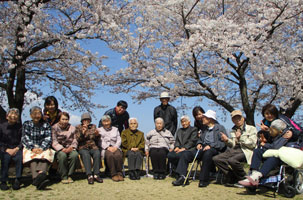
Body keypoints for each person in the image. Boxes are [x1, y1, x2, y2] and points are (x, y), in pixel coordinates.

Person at [172, 110, 228, 187]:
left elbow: (223, 143)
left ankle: (204, 179)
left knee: (207, 153)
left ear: (210, 119)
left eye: (204, 117)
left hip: (214, 149)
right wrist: (199, 143)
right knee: (185, 154)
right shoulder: (204, 128)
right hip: (202, 148)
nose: (202, 119)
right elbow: (200, 139)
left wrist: (211, 145)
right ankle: (182, 177)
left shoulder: (220, 128)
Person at [239, 119, 296, 187]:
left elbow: (275, 147)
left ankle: (257, 176)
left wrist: (264, 144)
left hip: (279, 157)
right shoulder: (275, 134)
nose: (270, 131)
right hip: (271, 153)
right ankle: (253, 173)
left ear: (280, 131)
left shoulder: (286, 136)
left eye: (272, 130)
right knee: (257, 151)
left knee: (273, 157)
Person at [213, 110, 258, 187]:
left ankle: (245, 179)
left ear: (243, 118)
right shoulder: (233, 130)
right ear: (232, 120)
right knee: (216, 159)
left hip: (247, 150)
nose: (237, 120)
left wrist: (241, 138)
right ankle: (232, 177)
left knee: (232, 160)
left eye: (239, 118)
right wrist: (227, 140)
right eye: (235, 119)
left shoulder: (251, 128)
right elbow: (233, 144)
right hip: (235, 150)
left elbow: (253, 144)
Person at [22, 106, 54, 190]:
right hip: (30, 147)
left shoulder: (46, 124)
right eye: (34, 113)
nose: (37, 115)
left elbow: (48, 138)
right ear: (31, 115)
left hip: (43, 146)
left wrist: (42, 148)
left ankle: (39, 176)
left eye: (39, 113)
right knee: (32, 158)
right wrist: (32, 148)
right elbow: (25, 137)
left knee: (46, 155)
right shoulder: (27, 124)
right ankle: (38, 178)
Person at [75, 113, 103, 184]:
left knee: (97, 153)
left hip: (93, 146)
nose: (86, 121)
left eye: (88, 120)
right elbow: (78, 139)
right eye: (84, 120)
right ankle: (89, 175)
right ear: (82, 121)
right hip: (83, 147)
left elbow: (96, 139)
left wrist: (97, 135)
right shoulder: (78, 127)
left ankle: (96, 174)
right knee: (86, 155)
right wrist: (83, 133)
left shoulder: (93, 126)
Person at [52, 112, 79, 184]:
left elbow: (75, 140)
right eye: (63, 119)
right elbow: (54, 141)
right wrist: (61, 149)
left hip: (70, 147)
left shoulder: (72, 128)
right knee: (62, 156)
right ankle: (64, 176)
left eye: (66, 119)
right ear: (59, 119)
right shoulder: (54, 128)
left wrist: (72, 147)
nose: (64, 121)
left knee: (75, 155)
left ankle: (70, 175)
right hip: (60, 148)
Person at [0, 108, 23, 190]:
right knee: (5, 158)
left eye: (16, 114)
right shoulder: (1, 126)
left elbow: (22, 140)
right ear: (7, 116)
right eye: (11, 113)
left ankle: (18, 180)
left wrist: (17, 148)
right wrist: (6, 149)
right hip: (5, 149)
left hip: (16, 148)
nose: (13, 116)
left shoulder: (20, 127)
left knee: (19, 158)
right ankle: (3, 181)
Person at [98, 115, 124, 182]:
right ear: (102, 122)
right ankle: (113, 174)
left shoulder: (115, 129)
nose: (106, 123)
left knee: (118, 155)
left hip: (115, 147)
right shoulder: (99, 130)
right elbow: (100, 141)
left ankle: (119, 173)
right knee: (110, 155)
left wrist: (115, 147)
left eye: (108, 121)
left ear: (110, 121)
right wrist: (107, 147)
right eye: (104, 121)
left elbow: (119, 139)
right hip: (106, 148)